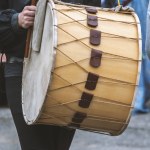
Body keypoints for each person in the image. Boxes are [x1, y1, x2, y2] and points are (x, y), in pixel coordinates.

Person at [0, 0, 101, 150]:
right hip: (22, 71)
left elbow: (96, 12)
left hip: (70, 69)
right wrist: (17, 20)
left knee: (59, 147)